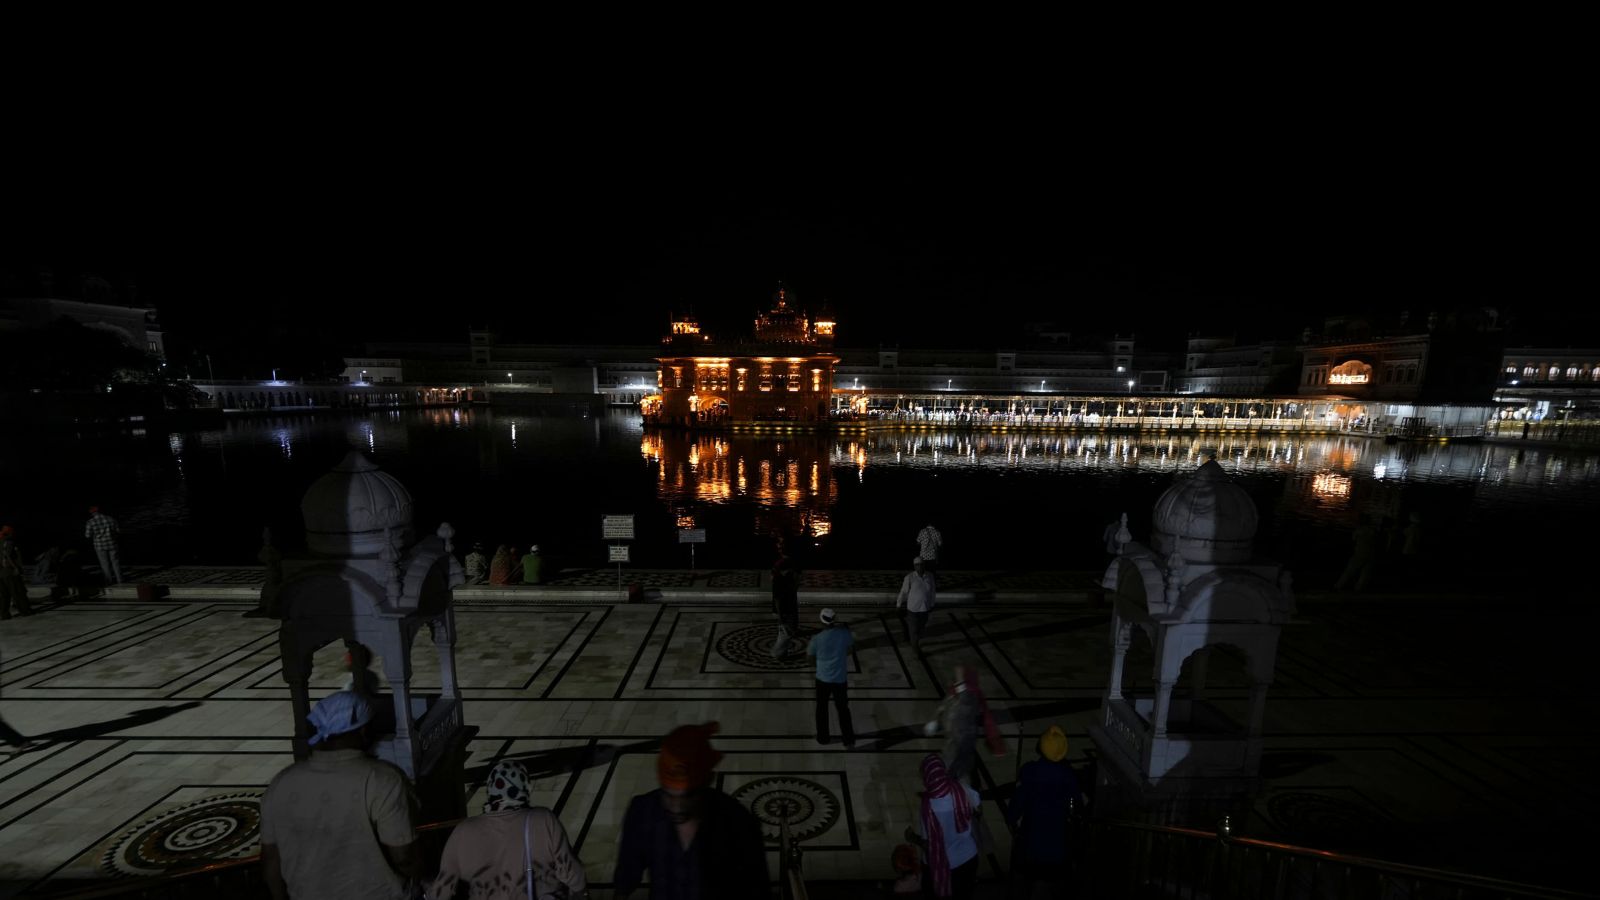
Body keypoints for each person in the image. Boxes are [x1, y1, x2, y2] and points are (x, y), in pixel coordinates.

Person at [260, 691, 419, 900]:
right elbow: (403, 856)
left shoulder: (281, 783)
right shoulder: (382, 779)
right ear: (363, 731)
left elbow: (271, 861)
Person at [612, 722, 769, 899]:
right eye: (669, 795)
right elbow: (626, 877)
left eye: (687, 796)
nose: (677, 807)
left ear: (707, 782)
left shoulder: (738, 822)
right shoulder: (642, 813)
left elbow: (757, 888)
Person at [428, 759, 590, 900]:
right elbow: (573, 875)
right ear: (525, 789)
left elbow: (442, 891)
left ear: (490, 789)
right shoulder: (543, 820)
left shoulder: (463, 831)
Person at [1007, 725, 1086, 899]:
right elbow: (1077, 808)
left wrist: (1012, 820)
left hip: (1030, 844)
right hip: (1058, 848)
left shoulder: (1030, 772)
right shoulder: (1069, 776)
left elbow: (1016, 806)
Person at [906, 753, 982, 899]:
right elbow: (978, 809)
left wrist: (912, 838)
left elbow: (928, 844)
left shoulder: (928, 805)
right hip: (968, 858)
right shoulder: (962, 789)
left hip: (940, 865)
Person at [924, 666, 1004, 783]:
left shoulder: (969, 697)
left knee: (957, 774)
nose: (951, 682)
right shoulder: (955, 695)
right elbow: (945, 706)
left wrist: (960, 678)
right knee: (952, 768)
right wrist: (934, 720)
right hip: (953, 742)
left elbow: (964, 696)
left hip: (960, 744)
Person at [807, 608, 855, 747]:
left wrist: (820, 664)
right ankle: (848, 739)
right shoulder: (844, 633)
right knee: (843, 709)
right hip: (840, 679)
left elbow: (809, 659)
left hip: (822, 679)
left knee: (821, 708)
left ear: (821, 621)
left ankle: (823, 738)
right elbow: (851, 649)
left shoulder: (816, 639)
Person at [896, 556, 937, 655]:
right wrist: (898, 605)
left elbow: (932, 591)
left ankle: (912, 639)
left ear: (924, 565)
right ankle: (915, 648)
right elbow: (903, 592)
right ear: (914, 566)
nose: (920, 567)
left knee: (921, 629)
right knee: (913, 629)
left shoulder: (930, 576)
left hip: (925, 608)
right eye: (917, 565)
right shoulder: (909, 577)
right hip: (913, 609)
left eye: (921, 565)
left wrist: (932, 604)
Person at [1335, 513, 1380, 592]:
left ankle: (1338, 586)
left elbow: (1354, 539)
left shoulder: (1359, 530)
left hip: (1360, 552)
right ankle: (1359, 588)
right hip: (1371, 553)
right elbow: (1376, 541)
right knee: (1365, 572)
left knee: (1350, 570)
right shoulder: (1373, 530)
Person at [0, 526, 34, 619]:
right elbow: (8, 555)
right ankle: (25, 611)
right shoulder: (9, 542)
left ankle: (4, 614)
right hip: (9, 571)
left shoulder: (1, 542)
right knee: (18, 592)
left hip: (1, 573)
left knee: (4, 595)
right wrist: (15, 567)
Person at [84, 506, 122, 586]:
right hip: (112, 544)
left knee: (105, 564)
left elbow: (87, 535)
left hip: (100, 546)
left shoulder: (90, 522)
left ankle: (109, 581)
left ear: (92, 513)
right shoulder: (111, 519)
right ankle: (120, 580)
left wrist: (96, 535)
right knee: (115, 562)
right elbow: (118, 531)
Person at [771, 554, 800, 657]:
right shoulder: (778, 580)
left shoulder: (787, 577)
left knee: (787, 631)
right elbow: (777, 600)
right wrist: (780, 616)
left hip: (789, 609)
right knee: (785, 631)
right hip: (785, 611)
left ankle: (784, 650)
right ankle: (778, 652)